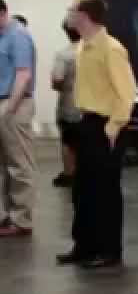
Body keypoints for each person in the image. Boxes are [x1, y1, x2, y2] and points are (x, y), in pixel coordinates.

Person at [61, 0, 135, 269]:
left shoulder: (112, 49)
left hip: (105, 126)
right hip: (87, 122)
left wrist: (113, 127)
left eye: (72, 10)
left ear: (85, 15)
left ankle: (108, 250)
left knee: (105, 192)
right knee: (83, 190)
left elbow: (126, 93)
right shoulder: (83, 46)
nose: (68, 14)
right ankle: (84, 246)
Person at [0, 0, 36, 238]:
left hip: (14, 104)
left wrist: (9, 109)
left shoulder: (18, 36)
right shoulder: (3, 36)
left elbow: (24, 75)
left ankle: (22, 220)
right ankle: (7, 215)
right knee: (4, 165)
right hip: (3, 102)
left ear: (2, 13)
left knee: (19, 164)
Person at [51, 22, 81, 188]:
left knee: (68, 140)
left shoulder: (64, 55)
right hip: (93, 106)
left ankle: (69, 174)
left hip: (70, 104)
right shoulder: (96, 51)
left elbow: (57, 79)